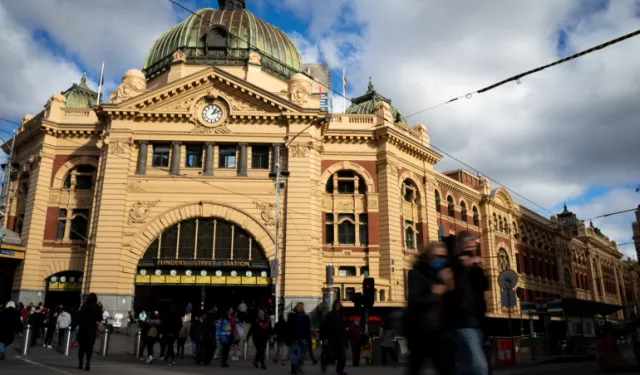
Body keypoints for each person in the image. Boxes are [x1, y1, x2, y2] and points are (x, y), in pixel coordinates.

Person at [406, 241, 456, 375]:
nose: (441, 260)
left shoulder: (443, 274)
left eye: (443, 257)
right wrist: (435, 293)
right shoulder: (417, 273)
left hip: (439, 329)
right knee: (416, 366)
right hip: (421, 329)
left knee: (445, 367)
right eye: (437, 256)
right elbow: (415, 299)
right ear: (428, 256)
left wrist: (449, 283)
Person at [450, 232, 489, 375]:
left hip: (478, 320)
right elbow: (452, 288)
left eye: (473, 244)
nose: (472, 247)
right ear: (460, 245)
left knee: (467, 366)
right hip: (462, 321)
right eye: (469, 244)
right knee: (479, 367)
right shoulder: (453, 264)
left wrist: (478, 268)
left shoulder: (474, 266)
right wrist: (463, 266)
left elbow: (484, 286)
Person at [77, 293, 103, 371]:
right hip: (91, 329)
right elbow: (100, 318)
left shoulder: (84, 306)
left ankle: (80, 363)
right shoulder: (97, 307)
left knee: (81, 347)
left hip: (82, 329)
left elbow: (79, 316)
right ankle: (88, 363)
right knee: (89, 348)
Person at [320, 300, 347, 375]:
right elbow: (324, 327)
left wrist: (345, 336)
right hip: (332, 339)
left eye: (339, 305)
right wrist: (325, 338)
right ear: (334, 306)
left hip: (340, 339)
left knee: (343, 356)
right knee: (331, 356)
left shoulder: (342, 315)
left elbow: (343, 327)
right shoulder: (330, 315)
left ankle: (339, 370)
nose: (338, 307)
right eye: (337, 305)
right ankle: (324, 364)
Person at [287, 302, 312, 375]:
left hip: (304, 338)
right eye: (299, 306)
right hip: (295, 339)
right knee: (294, 355)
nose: (300, 308)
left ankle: (298, 365)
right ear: (296, 307)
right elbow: (289, 328)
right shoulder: (292, 316)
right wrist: (289, 339)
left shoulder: (305, 317)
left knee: (303, 354)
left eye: (301, 306)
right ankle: (293, 368)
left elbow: (308, 328)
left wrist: (309, 339)